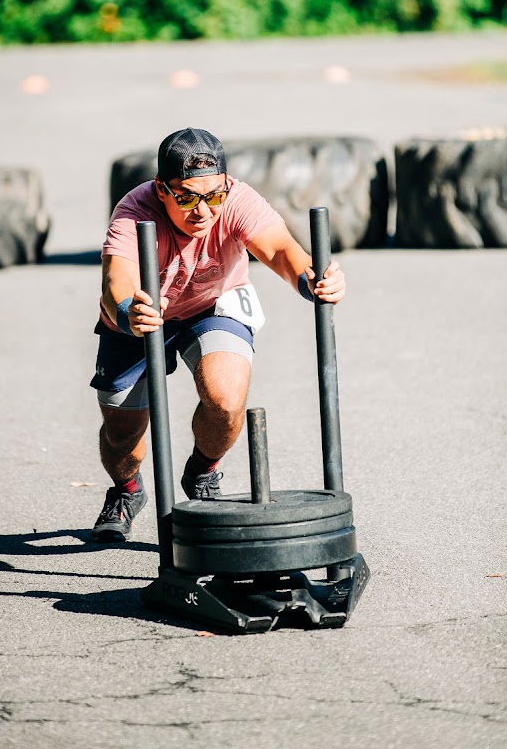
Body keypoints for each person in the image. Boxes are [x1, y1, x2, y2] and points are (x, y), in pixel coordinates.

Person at [90, 128, 346, 541]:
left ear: (225, 185)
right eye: (187, 196)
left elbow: (280, 249)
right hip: (140, 313)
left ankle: (202, 471)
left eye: (213, 195)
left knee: (225, 399)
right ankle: (127, 491)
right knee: (123, 435)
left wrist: (312, 279)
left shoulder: (238, 199)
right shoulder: (134, 209)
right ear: (161, 189)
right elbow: (116, 280)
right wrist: (127, 311)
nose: (202, 210)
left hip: (213, 303)